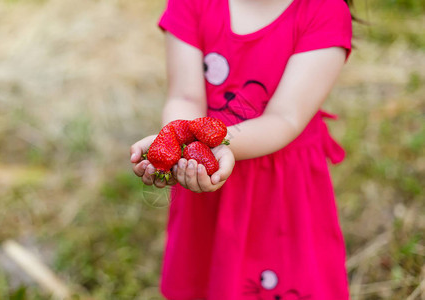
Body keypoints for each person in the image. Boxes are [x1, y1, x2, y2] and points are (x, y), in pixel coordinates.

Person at [130, 0, 353, 298]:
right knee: (211, 279)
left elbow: (285, 117)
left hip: (280, 189)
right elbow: (184, 96)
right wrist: (174, 142)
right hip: (208, 180)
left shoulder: (323, 10)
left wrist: (218, 144)